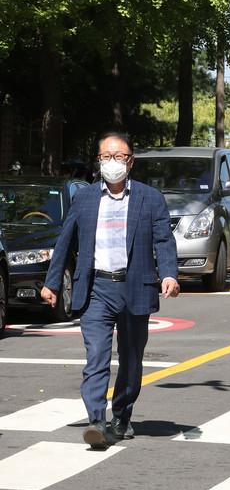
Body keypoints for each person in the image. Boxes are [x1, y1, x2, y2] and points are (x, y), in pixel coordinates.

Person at [41, 131, 179, 449]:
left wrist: (169, 274)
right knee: (97, 357)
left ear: (130, 162)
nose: (111, 162)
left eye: (118, 156)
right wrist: (51, 282)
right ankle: (96, 421)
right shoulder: (85, 198)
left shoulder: (150, 198)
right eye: (106, 157)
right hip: (96, 288)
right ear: (98, 161)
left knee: (131, 358)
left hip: (135, 287)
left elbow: (163, 240)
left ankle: (121, 415)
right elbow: (66, 240)